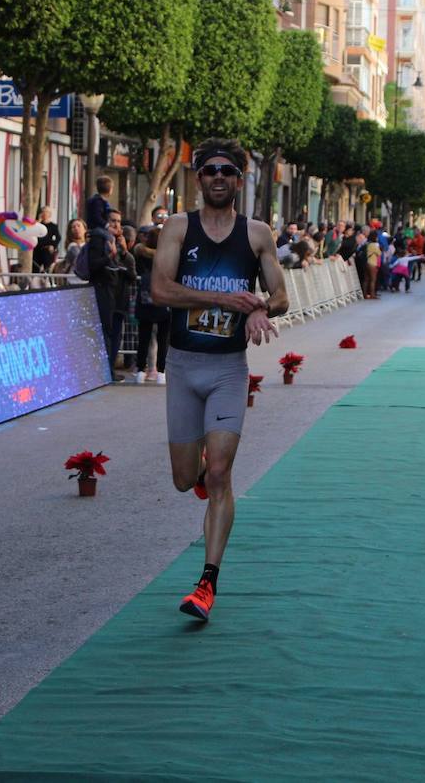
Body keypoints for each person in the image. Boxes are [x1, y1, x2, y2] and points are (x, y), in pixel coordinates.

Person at [150, 137, 287, 623]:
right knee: (187, 478)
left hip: (228, 369)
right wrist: (228, 302)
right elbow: (161, 289)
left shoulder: (256, 235)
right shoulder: (177, 228)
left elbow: (282, 295)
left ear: (239, 179)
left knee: (222, 472)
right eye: (210, 170)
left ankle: (207, 582)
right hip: (184, 366)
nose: (219, 177)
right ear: (198, 176)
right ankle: (204, 471)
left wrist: (261, 310)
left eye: (228, 170)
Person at [87, 208, 136, 378]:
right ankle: (103, 370)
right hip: (104, 294)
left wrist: (122, 253)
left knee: (115, 335)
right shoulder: (99, 240)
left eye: (119, 221)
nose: (116, 225)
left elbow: (131, 275)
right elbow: (93, 266)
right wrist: (111, 256)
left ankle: (109, 369)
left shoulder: (120, 246)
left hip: (119, 299)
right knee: (104, 333)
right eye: (113, 220)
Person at [132, 227, 170, 384]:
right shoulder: (167, 256)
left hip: (145, 300)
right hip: (164, 299)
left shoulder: (140, 254)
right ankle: (161, 372)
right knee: (163, 338)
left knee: (144, 338)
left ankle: (141, 371)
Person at [33, 206, 60, 274]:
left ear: (50, 214)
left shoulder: (53, 226)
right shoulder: (38, 224)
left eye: (46, 212)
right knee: (35, 268)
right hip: (36, 248)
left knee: (47, 268)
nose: (44, 213)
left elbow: (58, 237)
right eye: (43, 212)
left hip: (46, 249)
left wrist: (53, 245)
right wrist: (38, 221)